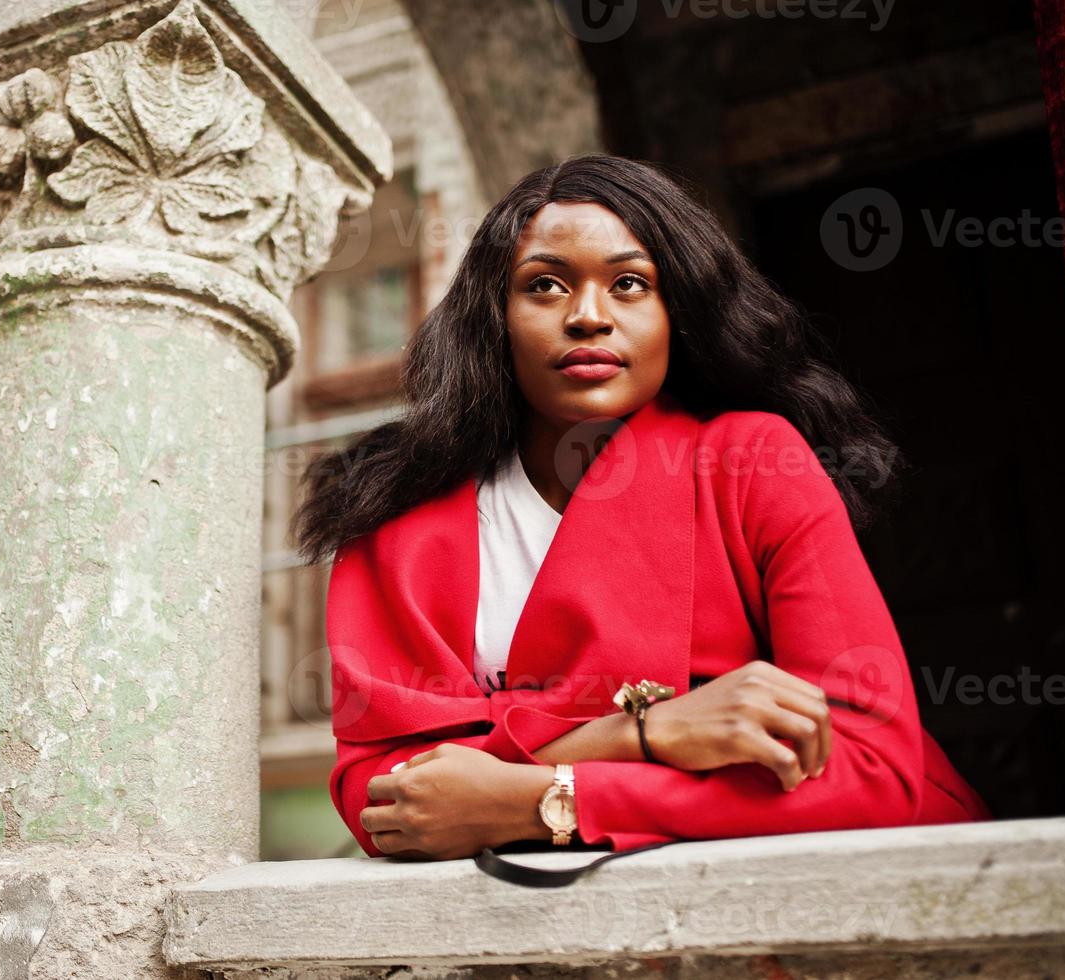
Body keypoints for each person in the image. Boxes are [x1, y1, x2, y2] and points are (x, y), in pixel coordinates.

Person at [290, 154, 990, 861]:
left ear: (676, 311)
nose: (588, 317)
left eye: (628, 284)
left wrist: (541, 801)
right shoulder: (393, 510)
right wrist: (647, 733)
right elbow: (383, 793)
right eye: (544, 286)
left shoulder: (750, 461)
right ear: (492, 317)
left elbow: (871, 773)